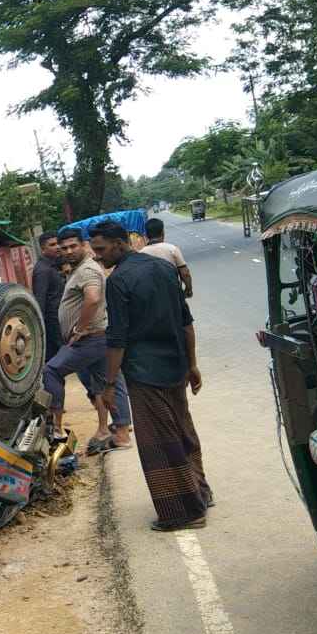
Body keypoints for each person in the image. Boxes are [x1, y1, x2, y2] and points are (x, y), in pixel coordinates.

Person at [90, 220, 212, 532]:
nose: (97, 257)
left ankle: (185, 512)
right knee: (182, 430)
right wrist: (192, 364)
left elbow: (117, 338)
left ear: (120, 244)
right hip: (176, 365)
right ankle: (201, 493)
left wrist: (109, 384)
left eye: (101, 250)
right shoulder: (164, 268)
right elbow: (186, 321)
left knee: (159, 442)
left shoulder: (118, 281)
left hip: (144, 373)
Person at [41, 227, 132, 448]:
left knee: (51, 370)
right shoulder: (78, 269)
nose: (69, 251)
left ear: (84, 245)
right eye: (64, 248)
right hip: (96, 339)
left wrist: (80, 329)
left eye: (73, 246)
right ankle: (118, 433)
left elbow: (93, 298)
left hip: (90, 339)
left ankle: (57, 429)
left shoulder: (87, 270)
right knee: (106, 384)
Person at [30, 231, 65, 359]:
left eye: (58, 243)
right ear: (43, 249)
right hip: (53, 322)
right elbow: (40, 299)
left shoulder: (53, 266)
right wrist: (41, 326)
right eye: (52, 245)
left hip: (60, 318)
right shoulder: (43, 270)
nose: (57, 247)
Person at [140, 218, 194, 298]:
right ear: (163, 232)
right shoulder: (172, 249)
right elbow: (185, 273)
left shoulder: (141, 254)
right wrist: (188, 289)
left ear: (146, 235)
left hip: (152, 296)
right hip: (173, 293)